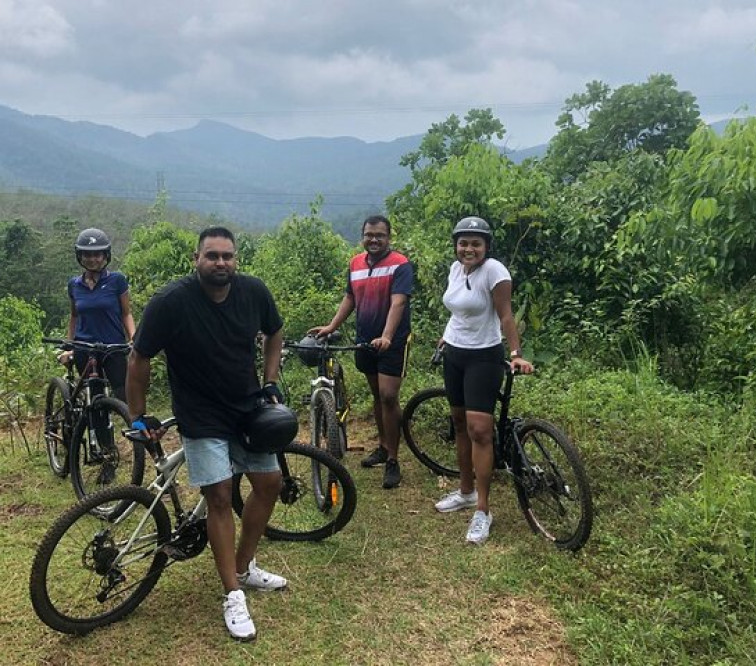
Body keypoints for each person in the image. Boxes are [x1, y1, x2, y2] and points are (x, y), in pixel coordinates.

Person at [126, 226, 288, 642]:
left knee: (269, 485)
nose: (221, 263)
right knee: (219, 496)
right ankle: (232, 595)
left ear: (236, 260)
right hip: (201, 415)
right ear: (196, 259)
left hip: (248, 407)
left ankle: (244, 566)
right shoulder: (171, 302)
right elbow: (139, 356)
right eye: (212, 256)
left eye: (227, 256)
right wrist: (139, 414)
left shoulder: (254, 292)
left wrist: (271, 382)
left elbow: (275, 333)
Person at [433, 216, 533, 545]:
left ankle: (483, 509)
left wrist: (516, 352)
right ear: (456, 245)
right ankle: (465, 490)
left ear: (486, 246)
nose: (469, 248)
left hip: (483, 356)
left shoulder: (495, 271)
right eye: (463, 243)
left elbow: (505, 314)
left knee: (479, 431)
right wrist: (447, 338)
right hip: (455, 353)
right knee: (459, 424)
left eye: (476, 243)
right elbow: (458, 309)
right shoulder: (455, 269)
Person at [310, 214, 413, 489]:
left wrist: (388, 336)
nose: (374, 239)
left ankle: (393, 459)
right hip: (365, 339)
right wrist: (332, 326)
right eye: (369, 234)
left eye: (380, 235)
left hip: (393, 341)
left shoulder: (400, 264)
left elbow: (399, 302)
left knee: (389, 396)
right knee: (377, 396)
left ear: (389, 237)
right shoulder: (355, 263)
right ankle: (382, 446)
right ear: (363, 236)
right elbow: (350, 297)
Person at [63, 227, 136, 400]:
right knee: (93, 397)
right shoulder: (74, 284)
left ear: (105, 256)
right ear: (80, 256)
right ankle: (95, 426)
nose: (92, 259)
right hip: (84, 347)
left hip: (113, 346)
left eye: (97, 254)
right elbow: (74, 316)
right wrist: (68, 346)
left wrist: (133, 338)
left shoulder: (117, 280)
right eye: (87, 255)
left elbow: (126, 313)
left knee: (122, 394)